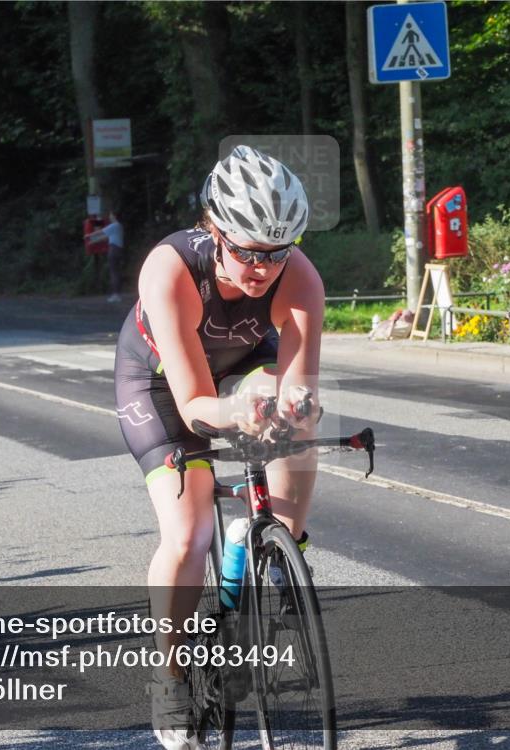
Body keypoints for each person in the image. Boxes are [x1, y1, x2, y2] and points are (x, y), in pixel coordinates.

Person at [113, 145, 324, 750]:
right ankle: (171, 675)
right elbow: (194, 405)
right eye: (247, 251)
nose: (263, 268)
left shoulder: (301, 278)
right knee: (188, 530)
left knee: (297, 428)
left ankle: (279, 558)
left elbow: (298, 383)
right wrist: (236, 414)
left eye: (277, 252)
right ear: (214, 229)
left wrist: (293, 407)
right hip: (159, 381)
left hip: (241, 363)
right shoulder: (170, 268)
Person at [86, 209, 125, 302]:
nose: (110, 217)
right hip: (118, 250)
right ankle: (117, 293)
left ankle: (116, 295)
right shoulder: (119, 226)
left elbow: (100, 232)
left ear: (114, 216)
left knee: (113, 272)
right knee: (116, 271)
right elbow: (105, 236)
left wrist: (88, 236)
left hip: (113, 249)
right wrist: (92, 242)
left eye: (111, 215)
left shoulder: (114, 225)